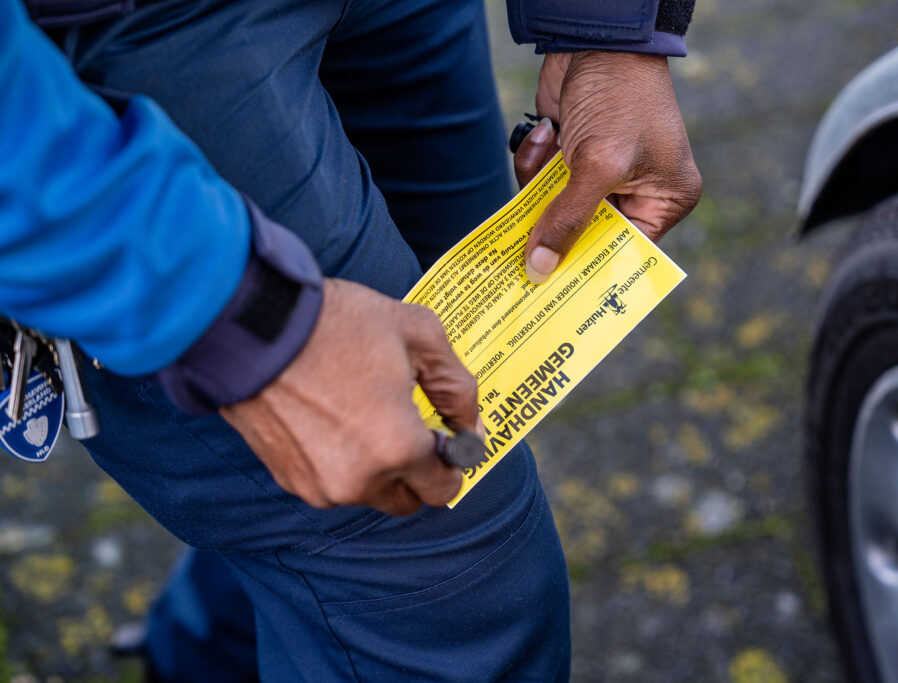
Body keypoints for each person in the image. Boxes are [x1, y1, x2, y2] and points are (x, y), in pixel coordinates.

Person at [3, 0, 701, 678]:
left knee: (406, 425)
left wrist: (612, 28)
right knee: (451, 592)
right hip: (110, 53)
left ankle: (206, 655)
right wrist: (233, 310)